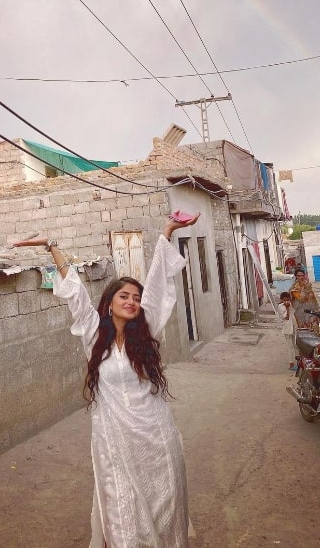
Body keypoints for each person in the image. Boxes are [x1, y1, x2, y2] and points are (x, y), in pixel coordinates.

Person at [13, 213, 200, 548]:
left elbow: (157, 283)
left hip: (156, 438)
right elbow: (75, 293)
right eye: (124, 296)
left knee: (165, 505)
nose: (132, 302)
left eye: (135, 298)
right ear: (109, 304)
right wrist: (51, 246)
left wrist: (168, 231)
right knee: (122, 514)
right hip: (114, 442)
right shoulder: (92, 334)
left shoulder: (147, 331)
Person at [289, 268, 320, 333]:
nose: (301, 277)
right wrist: (303, 288)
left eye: (302, 275)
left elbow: (312, 297)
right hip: (300, 312)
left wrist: (317, 310)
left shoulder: (308, 285)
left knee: (314, 327)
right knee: (304, 330)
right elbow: (301, 299)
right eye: (299, 276)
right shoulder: (294, 288)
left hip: (311, 310)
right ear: (296, 277)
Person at [278, 292, 297, 370]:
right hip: (287, 329)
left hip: (293, 327)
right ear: (282, 300)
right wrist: (288, 307)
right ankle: (291, 364)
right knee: (290, 347)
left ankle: (295, 361)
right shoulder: (281, 306)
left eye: (288, 300)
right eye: (284, 300)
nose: (286, 302)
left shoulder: (290, 304)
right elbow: (286, 317)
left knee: (295, 345)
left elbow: (294, 314)